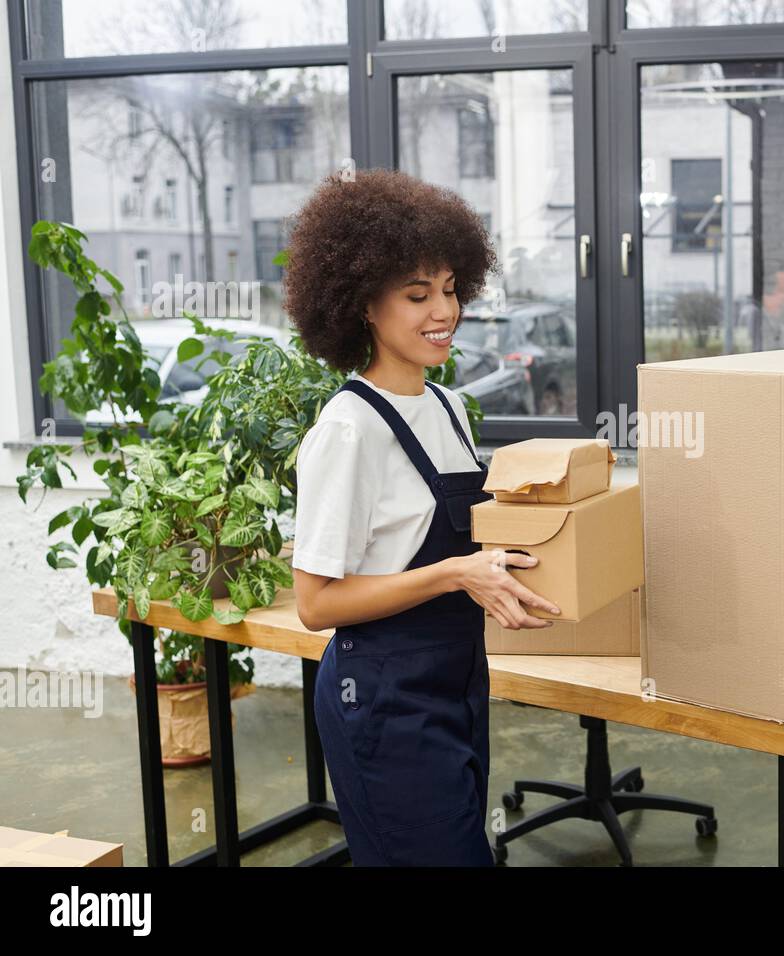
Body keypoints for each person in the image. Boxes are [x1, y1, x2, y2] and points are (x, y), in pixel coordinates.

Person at [283, 168, 559, 866]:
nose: (443, 311)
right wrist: (452, 574)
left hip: (457, 682)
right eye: (416, 295)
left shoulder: (445, 407)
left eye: (449, 289)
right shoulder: (349, 431)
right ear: (361, 307)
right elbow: (316, 605)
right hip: (381, 697)